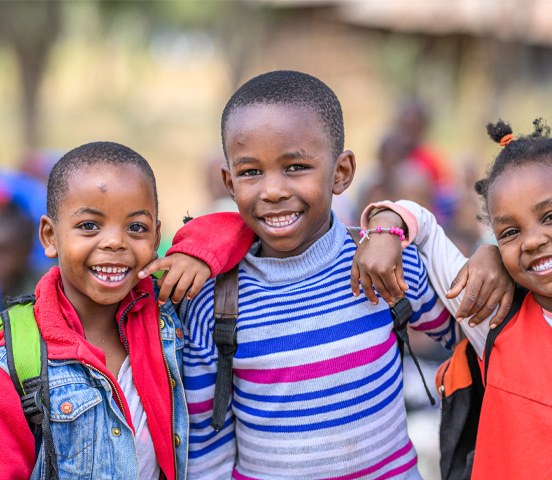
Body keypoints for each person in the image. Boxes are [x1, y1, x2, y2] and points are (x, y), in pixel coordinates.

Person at [170, 70, 513, 480]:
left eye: (296, 166)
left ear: (342, 172)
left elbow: (475, 338)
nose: (273, 190)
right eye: (250, 172)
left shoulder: (386, 265)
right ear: (229, 181)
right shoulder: (214, 301)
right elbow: (206, 445)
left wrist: (493, 259)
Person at [373, 116, 552, 479]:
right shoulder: (496, 318)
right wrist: (385, 230)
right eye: (511, 232)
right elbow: (426, 229)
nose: (531, 241)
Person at [0, 141, 251, 479]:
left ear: (157, 235)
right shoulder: (17, 356)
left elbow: (241, 224)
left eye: (136, 228)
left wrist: (193, 252)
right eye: (89, 225)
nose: (115, 242)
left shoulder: (167, 310)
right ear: (50, 236)